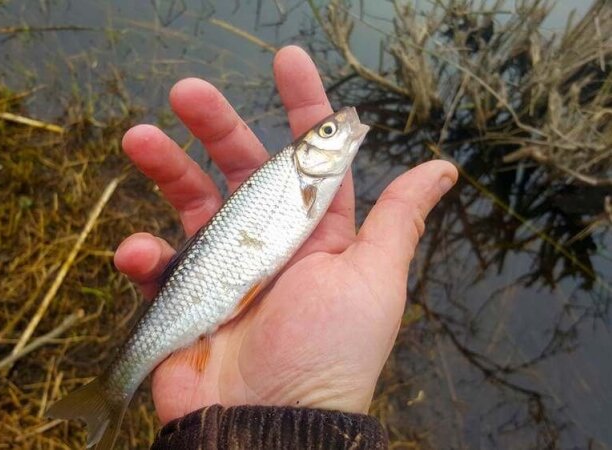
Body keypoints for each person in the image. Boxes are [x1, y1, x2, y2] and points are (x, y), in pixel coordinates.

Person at [113, 45, 457, 449]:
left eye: (327, 131)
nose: (339, 127)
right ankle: (114, 387)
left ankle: (114, 388)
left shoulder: (314, 180)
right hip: (210, 290)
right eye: (328, 132)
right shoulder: (303, 179)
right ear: (307, 153)